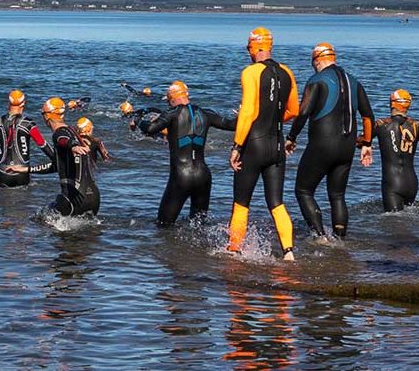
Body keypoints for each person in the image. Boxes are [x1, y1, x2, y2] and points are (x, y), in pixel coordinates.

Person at [286, 43, 374, 239]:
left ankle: (320, 237)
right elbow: (368, 116)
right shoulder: (354, 81)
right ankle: (340, 238)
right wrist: (367, 143)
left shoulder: (317, 80)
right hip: (347, 148)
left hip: (322, 145)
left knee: (303, 190)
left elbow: (303, 112)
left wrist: (291, 137)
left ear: (317, 61)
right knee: (337, 195)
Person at [227, 27, 300, 260]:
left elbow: (248, 111)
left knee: (241, 203)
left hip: (254, 145)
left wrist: (237, 146)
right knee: (276, 202)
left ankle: (234, 251)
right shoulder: (287, 72)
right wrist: (272, 119)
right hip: (277, 146)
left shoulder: (251, 72)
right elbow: (294, 110)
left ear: (253, 47)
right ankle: (288, 252)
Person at [140, 80, 235, 226]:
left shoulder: (172, 113)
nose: (168, 105)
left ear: (172, 99)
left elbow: (150, 129)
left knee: (164, 225)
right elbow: (231, 124)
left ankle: (168, 242)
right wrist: (245, 114)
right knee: (199, 226)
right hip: (203, 176)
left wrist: (138, 121)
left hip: (181, 176)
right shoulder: (205, 113)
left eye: (168, 102)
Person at [42, 97, 100, 216]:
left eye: (42, 114)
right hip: (94, 197)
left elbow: (62, 139)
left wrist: (72, 146)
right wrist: (27, 169)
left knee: (42, 218)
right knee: (89, 227)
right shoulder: (73, 131)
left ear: (47, 116)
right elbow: (57, 166)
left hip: (73, 198)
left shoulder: (59, 132)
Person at [0, 89, 55, 187]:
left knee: (2, 196)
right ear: (23, 103)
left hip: (2, 172)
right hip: (21, 172)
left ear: (9, 103)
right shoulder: (28, 123)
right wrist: (56, 158)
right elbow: (42, 144)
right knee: (23, 196)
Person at [374, 89, 419, 212]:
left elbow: (361, 141)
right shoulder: (416, 125)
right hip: (412, 182)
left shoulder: (381, 124)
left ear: (391, 104)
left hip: (392, 182)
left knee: (393, 220)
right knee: (409, 217)